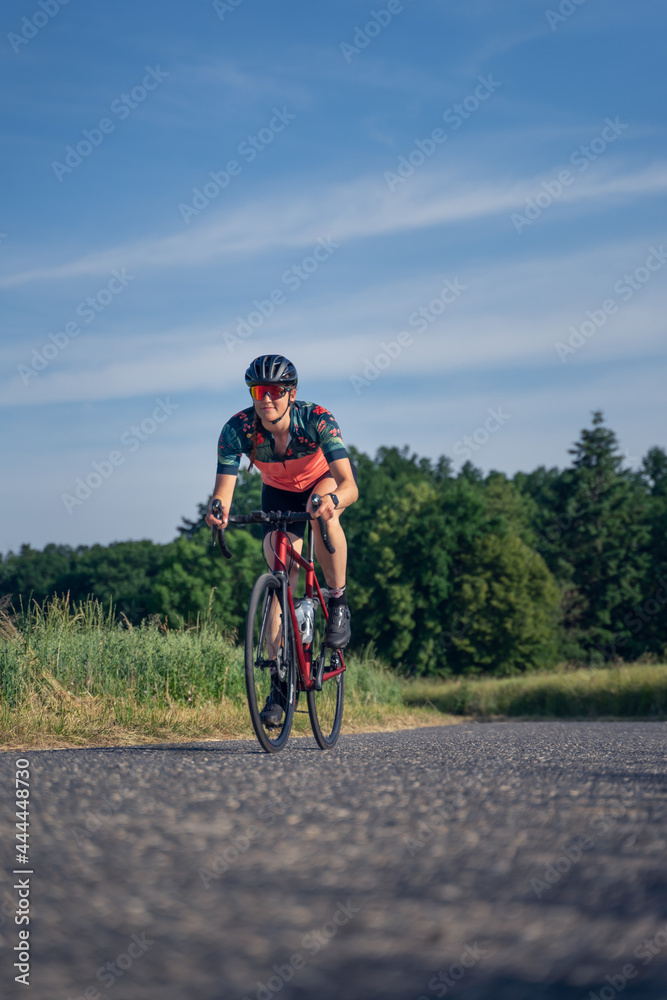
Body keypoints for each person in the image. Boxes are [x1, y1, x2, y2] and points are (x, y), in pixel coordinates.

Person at [205, 354, 359, 727]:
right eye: (259, 391)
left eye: (275, 391)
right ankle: (278, 685)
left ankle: (337, 601)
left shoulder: (317, 419)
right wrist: (218, 511)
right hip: (277, 494)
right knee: (280, 572)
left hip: (322, 483)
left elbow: (350, 485)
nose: (266, 399)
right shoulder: (237, 430)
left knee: (321, 508)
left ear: (291, 394)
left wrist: (333, 501)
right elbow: (223, 492)